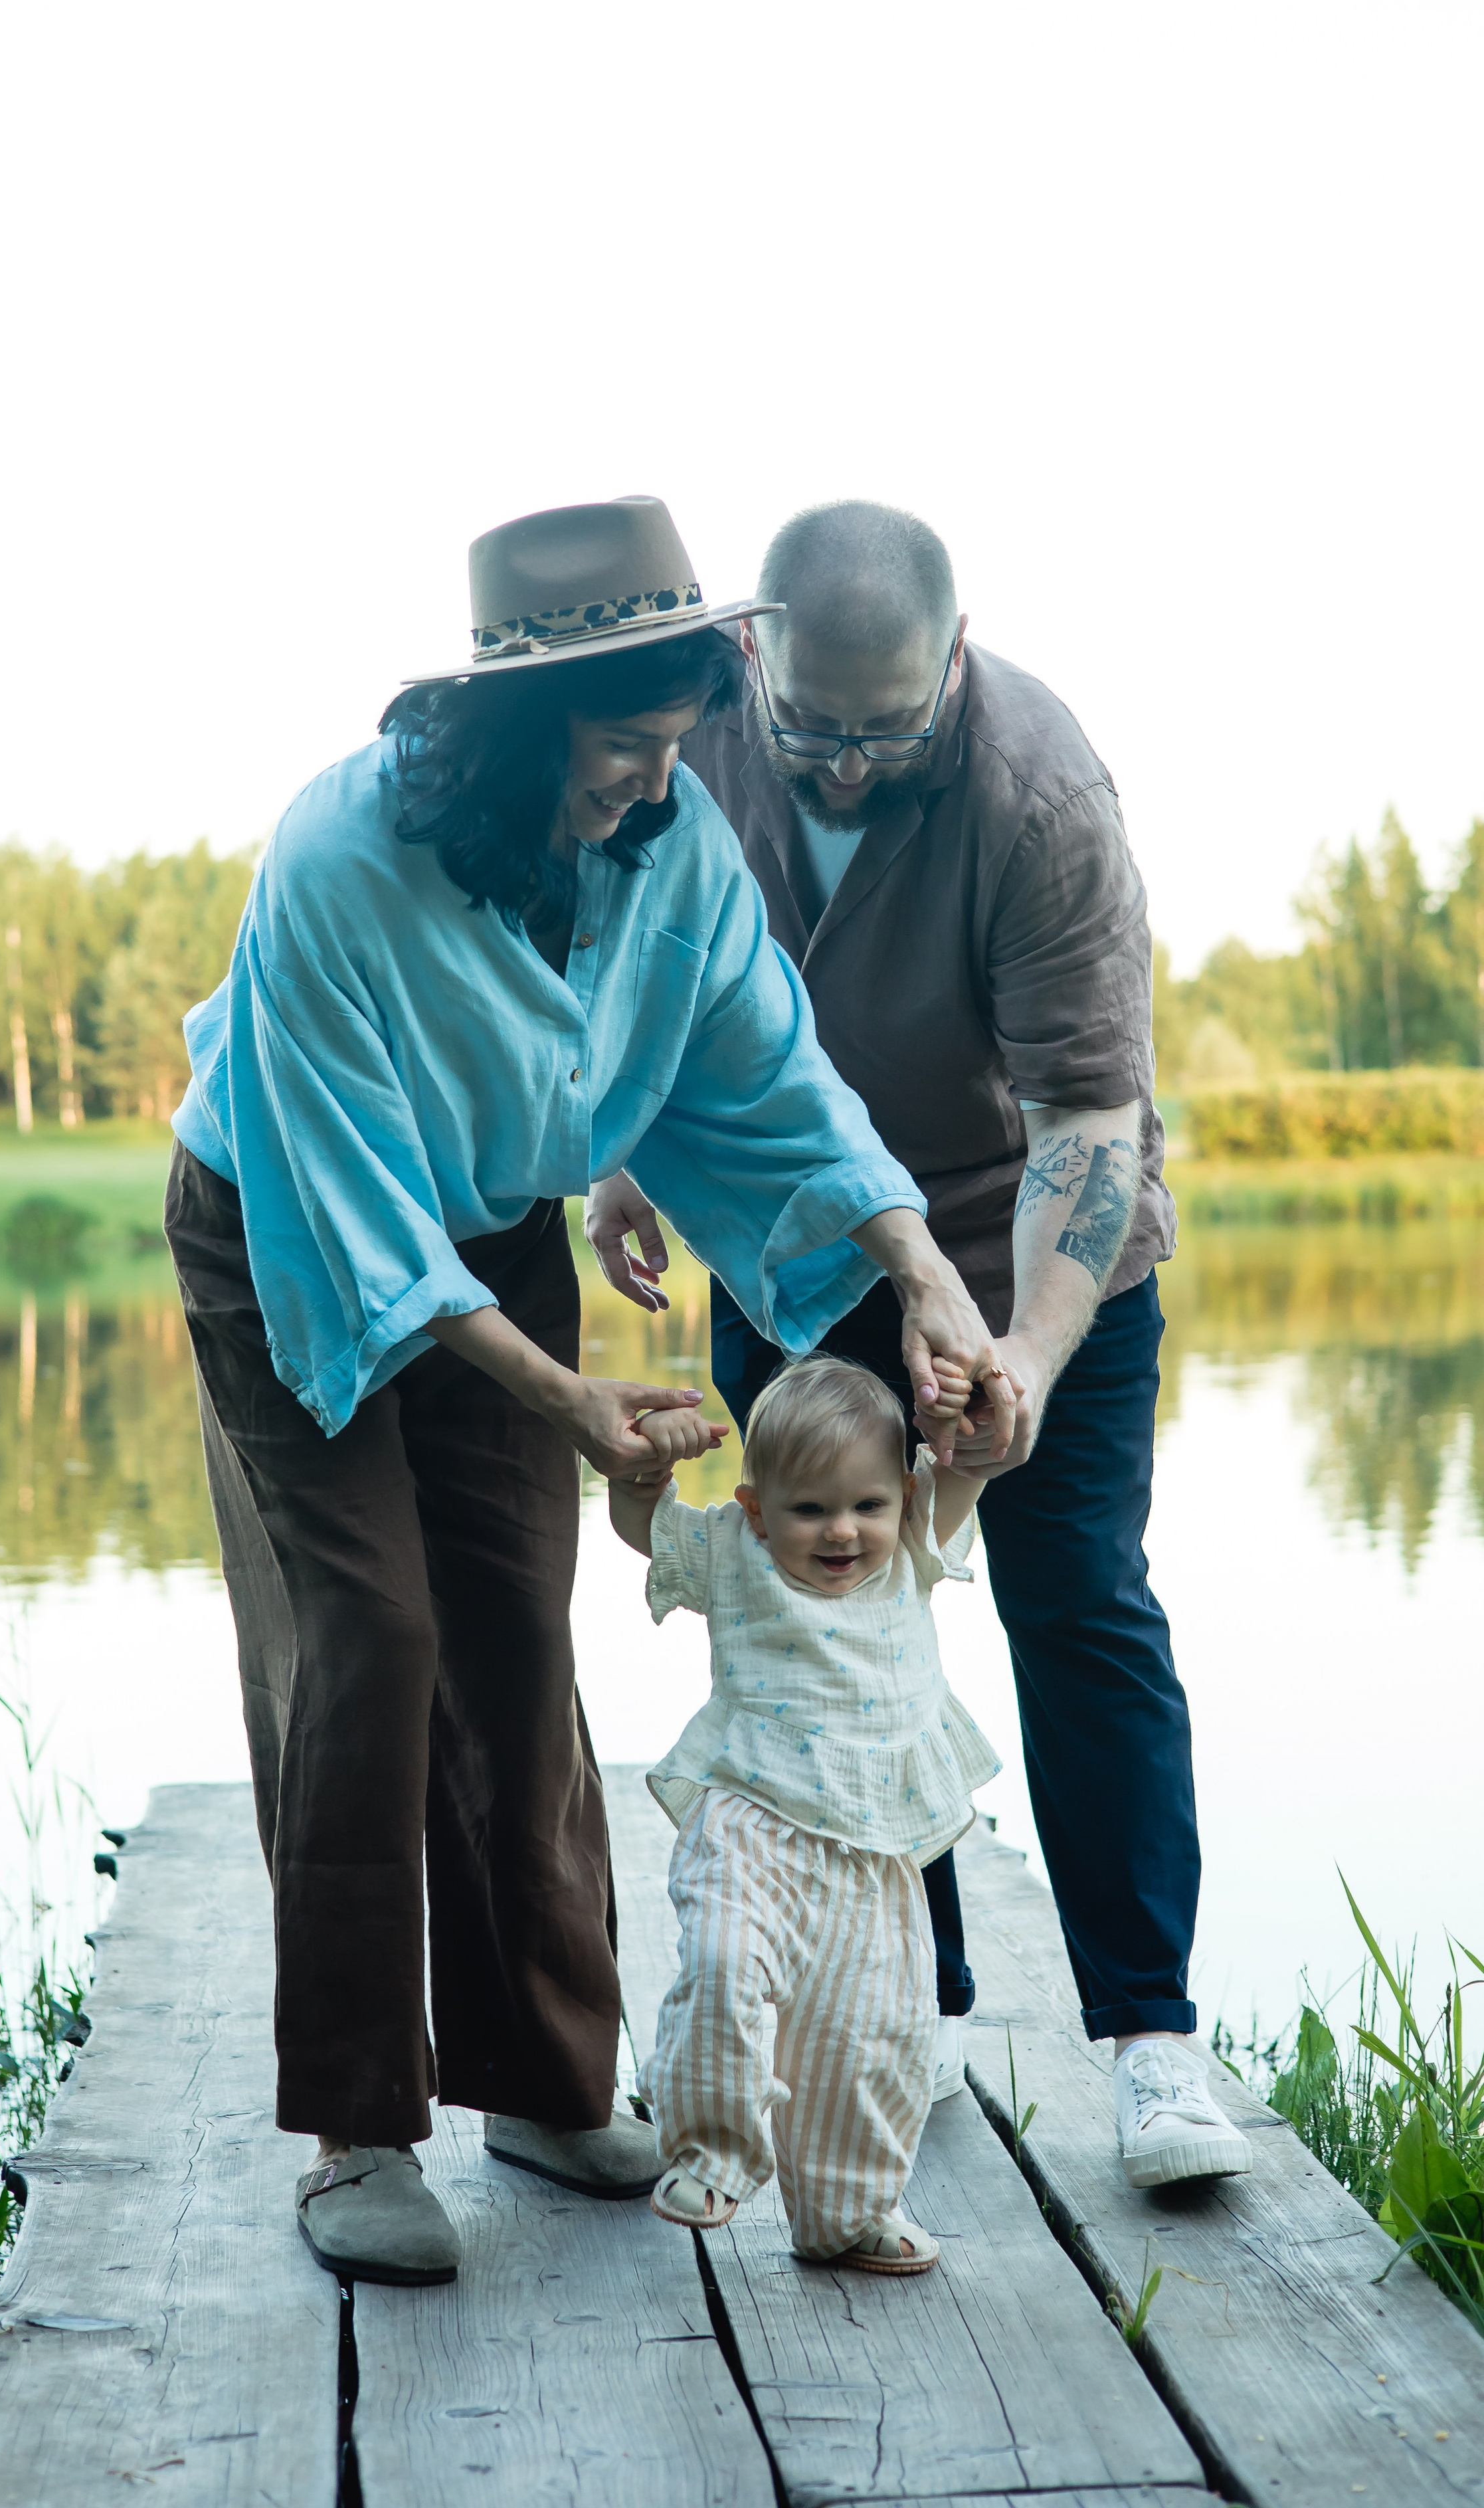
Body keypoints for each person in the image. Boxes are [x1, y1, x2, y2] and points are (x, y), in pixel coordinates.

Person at [165, 495, 1016, 2289]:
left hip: (489, 1233)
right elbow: (355, 1213)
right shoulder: (335, 861)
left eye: (670, 744)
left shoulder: (671, 843)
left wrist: (929, 1277)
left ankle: (547, 2086)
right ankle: (356, 2131)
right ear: (509, 733)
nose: (653, 780)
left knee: (513, 1626)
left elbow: (767, 1077)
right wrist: (567, 1394)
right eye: (620, 749)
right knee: (372, 1631)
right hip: (287, 1228)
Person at [587, 499, 1253, 2192]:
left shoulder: (1040, 794)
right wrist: (621, 1147)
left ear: (950, 666)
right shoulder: (705, 729)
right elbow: (632, 965)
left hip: (1025, 1238)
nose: (839, 766)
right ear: (756, 655)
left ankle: (1154, 2044)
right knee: (830, 1606)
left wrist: (1021, 1348)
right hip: (799, 1254)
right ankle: (911, 2002)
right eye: (811, 725)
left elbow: (1090, 1123)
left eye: (885, 732)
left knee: (1076, 1599)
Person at [606, 1355, 997, 2272]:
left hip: (874, 1840)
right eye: (809, 1510)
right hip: (751, 1816)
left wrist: (974, 1417)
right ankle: (711, 2149)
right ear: (754, 1507)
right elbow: (645, 1531)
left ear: (903, 1496)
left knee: (871, 2035)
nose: (841, 1531)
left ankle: (848, 2211)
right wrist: (644, 1476)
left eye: (866, 1504)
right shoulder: (733, 1553)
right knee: (723, 1963)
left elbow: (971, 1466)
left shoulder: (912, 1548)